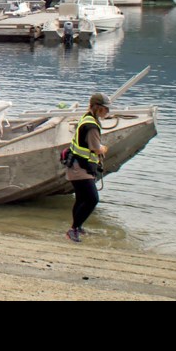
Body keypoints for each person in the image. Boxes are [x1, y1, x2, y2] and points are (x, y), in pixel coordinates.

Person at [64, 92, 111, 243]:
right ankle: (73, 229)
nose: (108, 112)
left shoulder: (87, 118)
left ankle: (77, 227)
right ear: (98, 108)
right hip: (80, 168)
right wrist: (103, 149)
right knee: (92, 199)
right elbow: (96, 148)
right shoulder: (91, 126)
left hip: (76, 165)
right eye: (106, 109)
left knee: (81, 198)